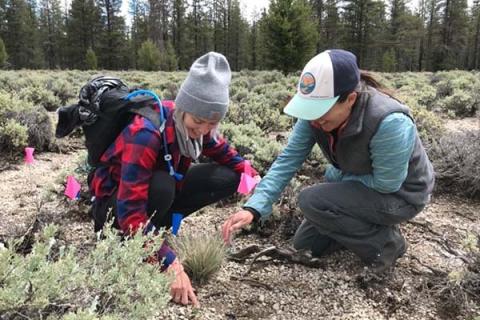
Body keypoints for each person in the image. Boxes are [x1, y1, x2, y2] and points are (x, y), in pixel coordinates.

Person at [222, 49, 434, 273]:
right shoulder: (314, 118)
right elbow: (288, 159)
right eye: (310, 110)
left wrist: (338, 177)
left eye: (321, 110)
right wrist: (254, 207)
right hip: (367, 187)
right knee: (306, 244)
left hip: (402, 195)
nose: (315, 119)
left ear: (350, 99)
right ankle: (360, 228)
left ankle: (387, 244)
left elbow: (387, 183)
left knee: (312, 200)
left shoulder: (389, 121)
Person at [89, 52, 257, 306]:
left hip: (152, 196)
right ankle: (134, 243)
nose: (202, 131)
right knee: (163, 186)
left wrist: (255, 178)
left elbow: (226, 154)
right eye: (198, 121)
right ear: (183, 108)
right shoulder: (145, 133)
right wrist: (170, 263)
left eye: (212, 123)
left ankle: (159, 228)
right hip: (115, 209)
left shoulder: (198, 128)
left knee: (227, 176)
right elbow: (131, 213)